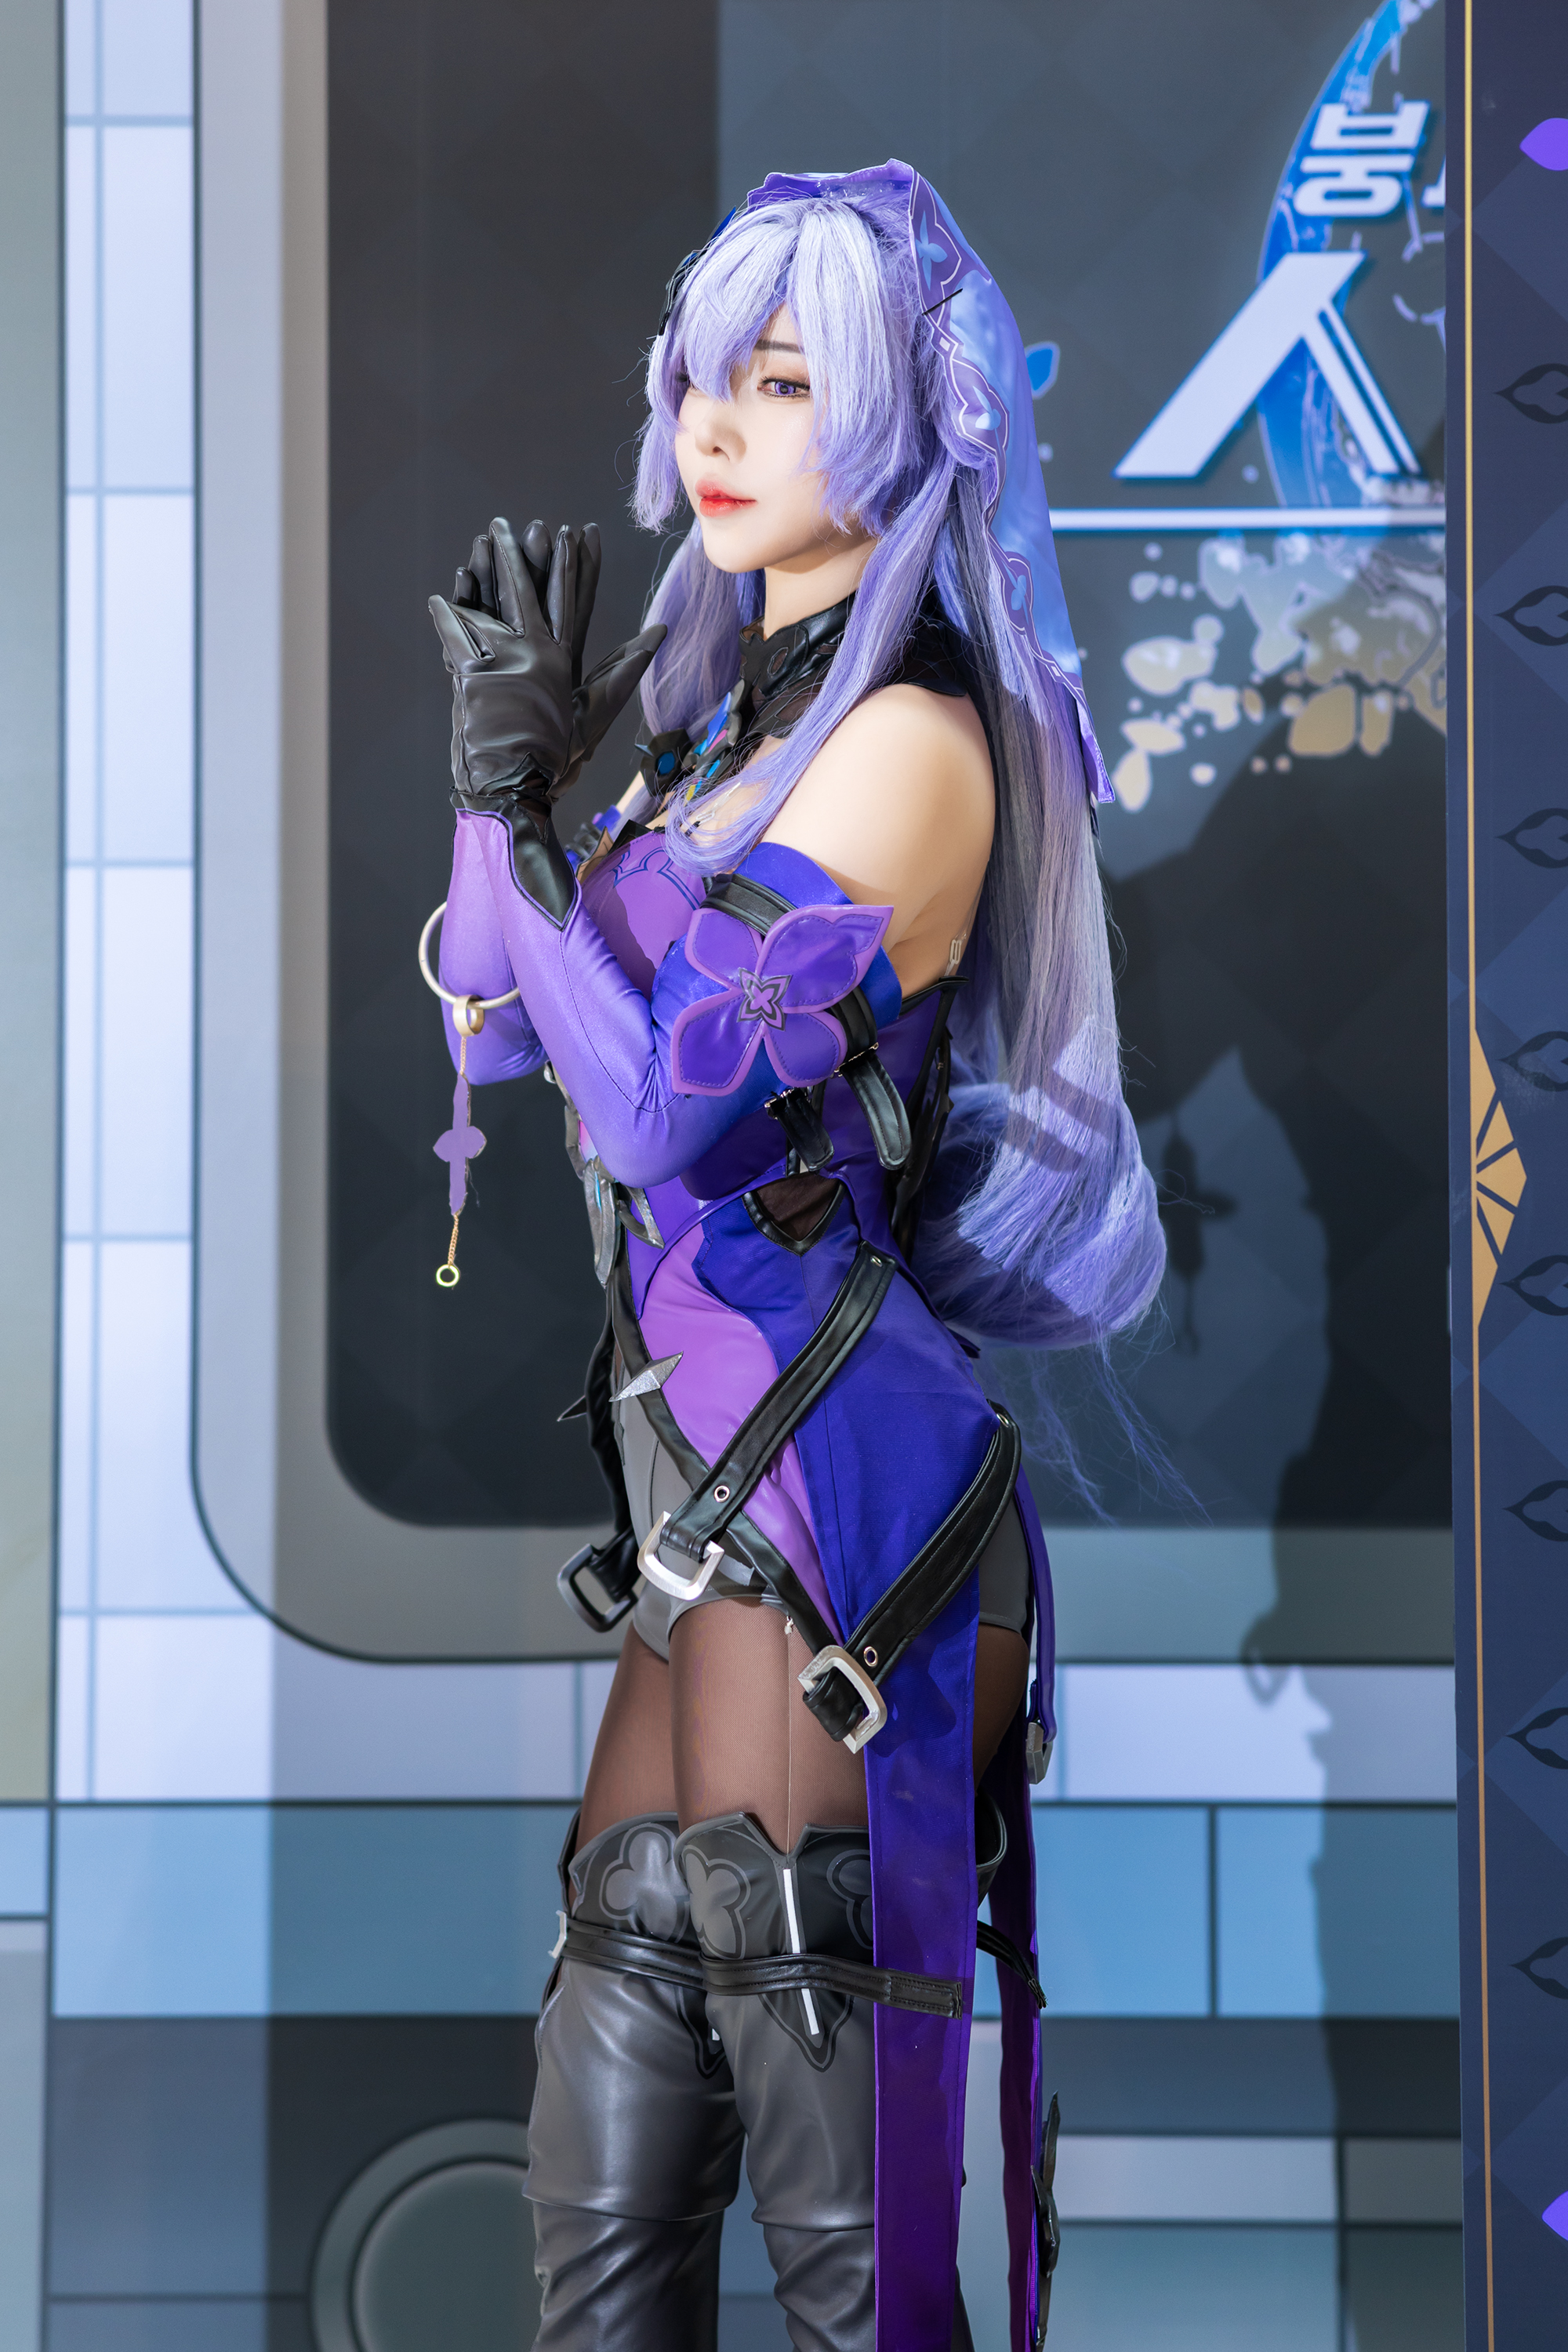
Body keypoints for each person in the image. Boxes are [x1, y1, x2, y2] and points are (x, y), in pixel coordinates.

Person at [426, 161, 1163, 2352]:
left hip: (834, 1493)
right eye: (702, 375)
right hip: (700, 1503)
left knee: (859, 2265)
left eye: (784, 379)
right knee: (603, 2208)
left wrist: (522, 821)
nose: (716, 424)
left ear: (905, 417)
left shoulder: (913, 749)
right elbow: (489, 999)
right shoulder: (720, 741)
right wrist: (506, 791)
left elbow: (662, 1105)